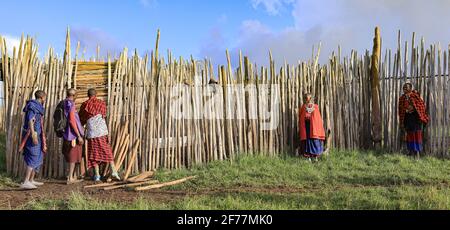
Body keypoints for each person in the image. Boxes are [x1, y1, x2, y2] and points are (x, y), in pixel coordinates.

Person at [79, 88, 120, 182]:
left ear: (87, 95)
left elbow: (82, 118)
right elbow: (104, 115)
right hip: (102, 131)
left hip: (92, 132)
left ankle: (97, 175)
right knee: (106, 150)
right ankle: (113, 171)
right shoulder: (101, 103)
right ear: (96, 94)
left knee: (93, 152)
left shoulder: (85, 104)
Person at [19, 90, 48, 190]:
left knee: (39, 155)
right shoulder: (32, 106)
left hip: (38, 134)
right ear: (42, 97)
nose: (45, 99)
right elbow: (31, 120)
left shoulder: (38, 106)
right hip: (32, 135)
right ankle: (26, 181)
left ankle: (31, 180)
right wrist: (33, 135)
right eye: (45, 97)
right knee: (33, 155)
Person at [399, 83, 428, 159]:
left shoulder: (415, 96)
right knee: (409, 135)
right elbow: (401, 110)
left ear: (410, 88)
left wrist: (413, 108)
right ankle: (411, 152)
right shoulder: (402, 98)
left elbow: (421, 106)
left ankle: (417, 153)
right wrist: (406, 110)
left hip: (415, 119)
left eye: (406, 87)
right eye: (403, 87)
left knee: (417, 135)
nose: (404, 89)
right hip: (407, 119)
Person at [62, 89, 85, 184]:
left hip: (67, 133)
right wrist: (78, 135)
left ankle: (73, 176)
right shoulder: (70, 104)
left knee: (73, 154)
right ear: (74, 95)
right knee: (73, 155)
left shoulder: (64, 103)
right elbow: (72, 121)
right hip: (72, 134)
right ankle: (70, 178)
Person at [298, 93, 326, 161]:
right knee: (307, 142)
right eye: (307, 98)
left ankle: (315, 157)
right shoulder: (303, 107)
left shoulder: (315, 107)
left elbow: (317, 119)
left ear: (312, 98)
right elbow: (301, 117)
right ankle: (308, 157)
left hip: (314, 128)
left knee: (314, 141)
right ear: (305, 99)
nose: (308, 100)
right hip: (306, 127)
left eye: (310, 98)